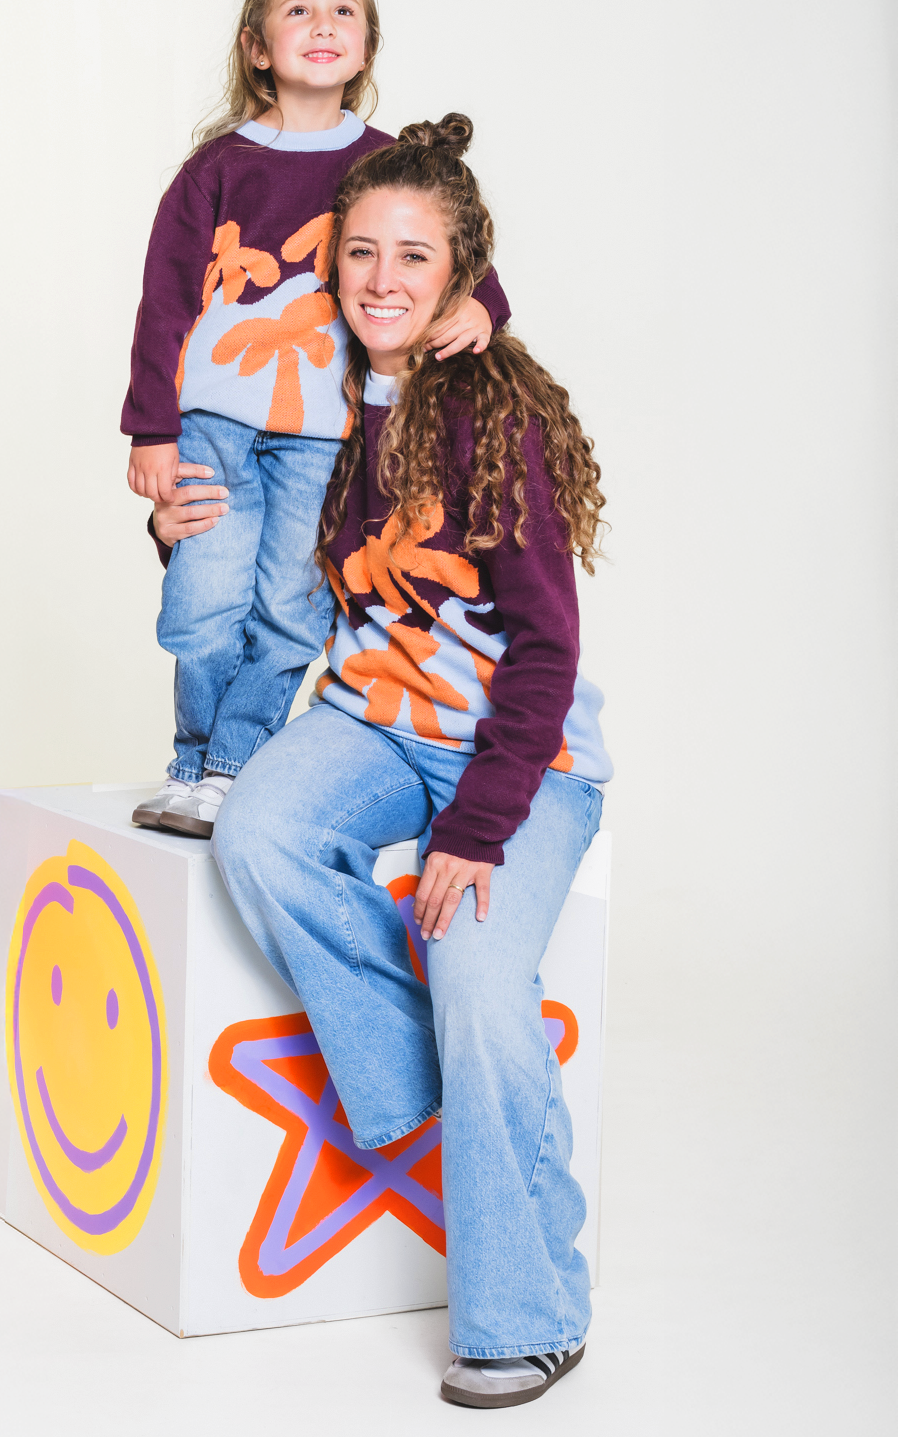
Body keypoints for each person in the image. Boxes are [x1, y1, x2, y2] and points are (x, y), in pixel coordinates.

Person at [181, 115, 612, 1409]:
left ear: (462, 277)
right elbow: (263, 529)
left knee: (478, 972)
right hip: (375, 720)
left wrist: (475, 830)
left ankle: (530, 1313)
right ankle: (419, 1075)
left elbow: (546, 649)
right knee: (260, 832)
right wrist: (177, 519)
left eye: (414, 259)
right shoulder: (327, 382)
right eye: (359, 251)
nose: (381, 278)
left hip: (518, 754)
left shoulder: (492, 412)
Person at [122, 0, 510, 838]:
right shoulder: (215, 170)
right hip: (214, 426)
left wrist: (484, 306)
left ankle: (232, 769)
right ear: (258, 47)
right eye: (299, 10)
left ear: (367, 46)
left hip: (323, 435)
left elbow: (453, 248)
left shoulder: (385, 163)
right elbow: (164, 299)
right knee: (204, 605)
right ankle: (190, 761)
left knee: (290, 611)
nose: (323, 25)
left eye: (344, 11)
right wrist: (152, 429)